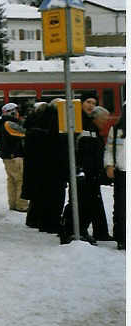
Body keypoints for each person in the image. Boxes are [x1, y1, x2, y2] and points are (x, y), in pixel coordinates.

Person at [61, 105, 111, 244]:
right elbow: (88, 154)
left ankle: (82, 231)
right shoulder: (89, 132)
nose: (105, 122)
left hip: (87, 173)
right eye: (104, 119)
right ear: (97, 118)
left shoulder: (92, 130)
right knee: (83, 204)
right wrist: (90, 171)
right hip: (86, 174)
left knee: (86, 203)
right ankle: (77, 231)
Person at [0, 102, 27, 212]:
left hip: (8, 156)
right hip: (15, 155)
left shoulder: (2, 122)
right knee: (20, 180)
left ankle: (13, 203)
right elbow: (23, 133)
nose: (18, 113)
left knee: (12, 180)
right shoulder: (9, 124)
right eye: (16, 111)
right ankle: (21, 205)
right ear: (11, 112)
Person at [104, 103, 125, 250]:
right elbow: (109, 149)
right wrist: (109, 165)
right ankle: (121, 237)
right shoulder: (116, 129)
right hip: (121, 172)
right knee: (121, 207)